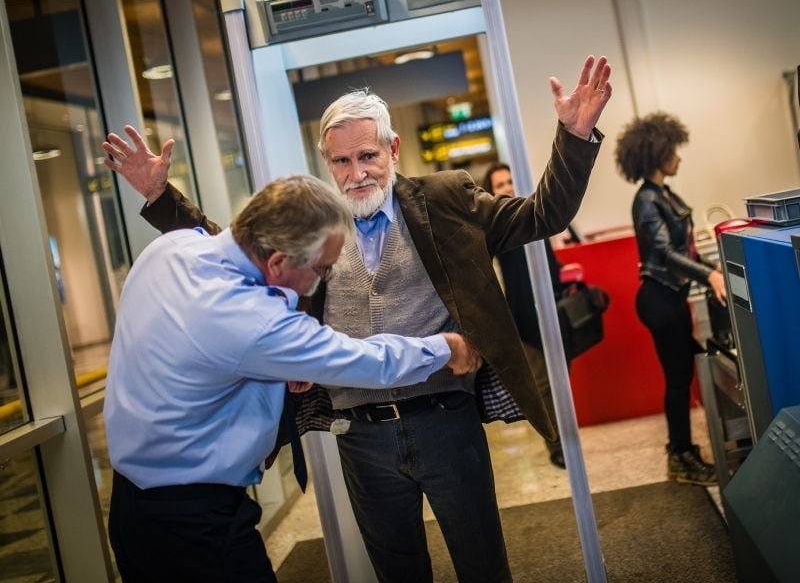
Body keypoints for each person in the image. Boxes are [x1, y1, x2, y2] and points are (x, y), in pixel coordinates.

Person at [111, 54, 612, 582]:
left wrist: (574, 137)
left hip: (446, 421)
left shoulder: (443, 200)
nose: (356, 174)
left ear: (393, 149)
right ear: (327, 163)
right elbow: (239, 247)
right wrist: (160, 197)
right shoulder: (318, 225)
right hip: (361, 435)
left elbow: (541, 215)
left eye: (368, 156)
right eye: (341, 162)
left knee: (481, 562)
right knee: (397, 570)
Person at [101, 173, 481, 583]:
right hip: (193, 524)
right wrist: (446, 347)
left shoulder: (169, 249)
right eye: (323, 269)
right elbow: (365, 359)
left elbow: (193, 356)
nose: (322, 282)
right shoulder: (252, 320)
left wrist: (272, 373)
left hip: (131, 507)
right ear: (279, 262)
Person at [614, 112, 726, 486]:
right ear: (657, 153)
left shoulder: (663, 194)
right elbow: (664, 254)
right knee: (678, 379)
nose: (679, 157)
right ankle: (680, 457)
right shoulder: (647, 200)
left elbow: (686, 249)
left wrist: (714, 266)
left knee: (685, 371)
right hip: (659, 300)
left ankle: (682, 450)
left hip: (669, 297)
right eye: (673, 150)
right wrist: (709, 275)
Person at [481, 162, 567, 469]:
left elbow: (551, 262)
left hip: (551, 312)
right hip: (521, 320)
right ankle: (556, 445)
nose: (506, 188)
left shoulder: (534, 215)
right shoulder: (494, 228)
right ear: (490, 191)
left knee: (560, 381)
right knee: (542, 385)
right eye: (499, 184)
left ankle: (567, 437)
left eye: (509, 181)